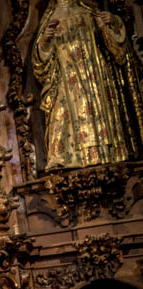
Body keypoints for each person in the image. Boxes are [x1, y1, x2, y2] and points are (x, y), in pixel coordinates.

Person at [33, 0, 143, 169]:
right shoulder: (50, 18)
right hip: (68, 79)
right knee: (63, 114)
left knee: (102, 108)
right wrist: (45, 39)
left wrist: (112, 21)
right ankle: (69, 158)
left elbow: (117, 46)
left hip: (96, 75)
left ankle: (109, 151)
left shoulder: (90, 10)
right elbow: (40, 63)